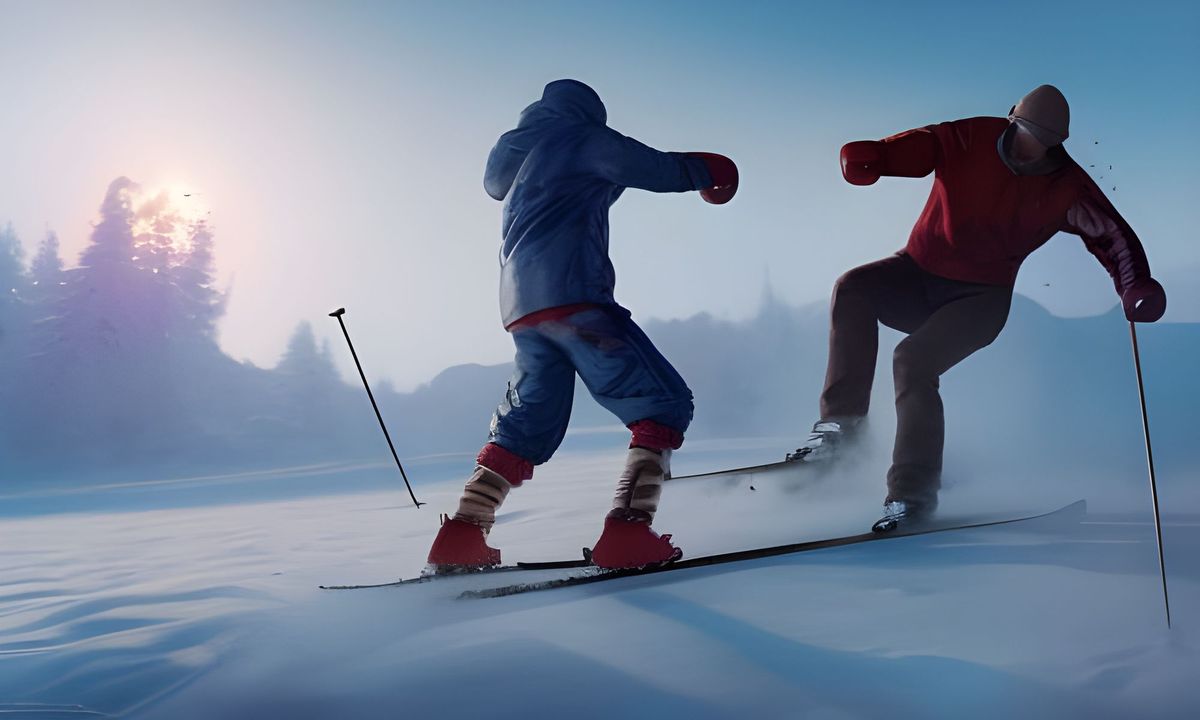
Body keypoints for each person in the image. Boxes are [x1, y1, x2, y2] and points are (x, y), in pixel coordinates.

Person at [788, 84, 1166, 531]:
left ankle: (912, 494)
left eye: (1045, 144)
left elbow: (1110, 235)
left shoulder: (1067, 188)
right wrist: (878, 157)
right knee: (853, 288)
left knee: (912, 360)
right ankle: (841, 431)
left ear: (1058, 144)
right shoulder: (969, 138)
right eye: (1027, 134)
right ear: (1011, 119)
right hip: (914, 275)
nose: (1031, 151)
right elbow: (923, 147)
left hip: (979, 301)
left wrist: (1135, 283)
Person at [426, 79, 738, 571]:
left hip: (522, 310)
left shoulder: (523, 164)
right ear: (587, 114)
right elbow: (647, 167)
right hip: (574, 297)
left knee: (525, 424)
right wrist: (706, 170)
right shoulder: (580, 139)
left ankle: (462, 536)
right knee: (662, 404)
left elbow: (598, 186)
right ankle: (629, 533)